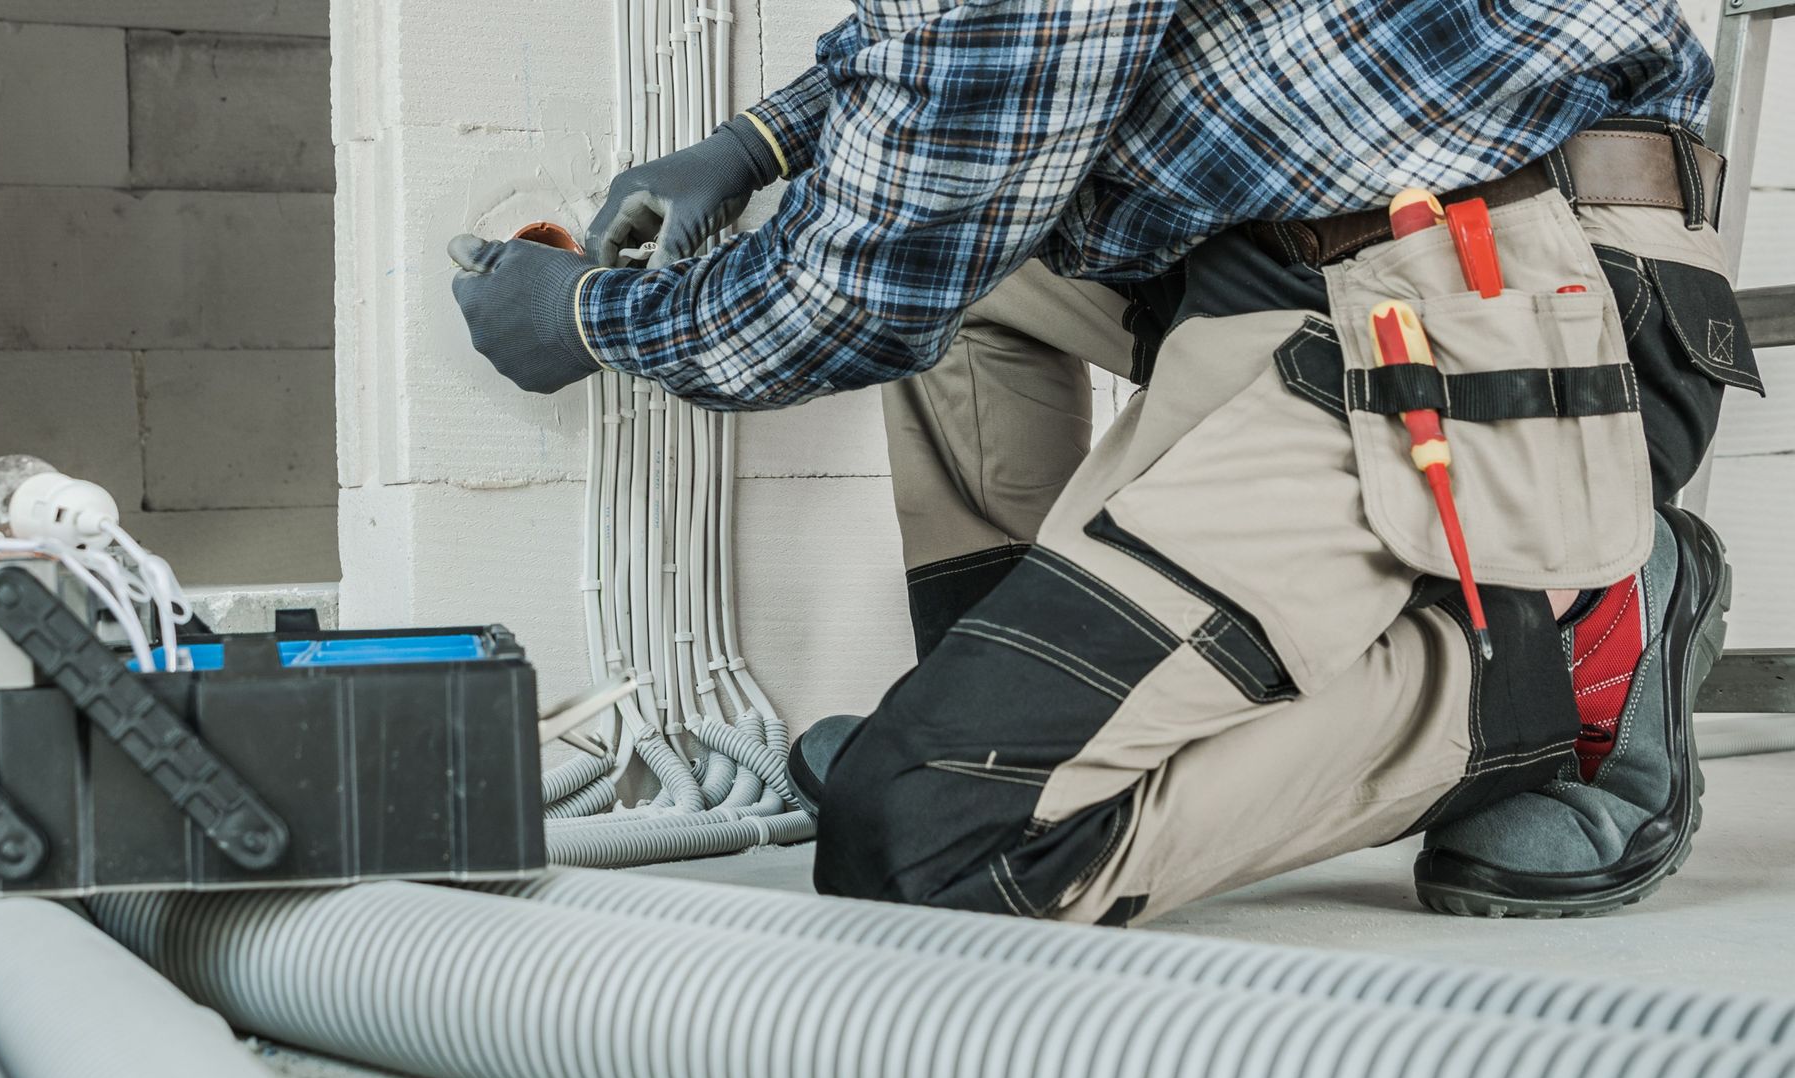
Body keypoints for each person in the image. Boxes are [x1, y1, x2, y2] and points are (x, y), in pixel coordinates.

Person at [450, 1, 1762, 925]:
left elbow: (863, 295)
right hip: (1305, 252)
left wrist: (583, 319)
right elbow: (957, 57)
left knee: (932, 835)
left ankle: (1562, 664)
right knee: (973, 262)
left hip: (1529, 296)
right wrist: (765, 145)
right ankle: (993, 699)